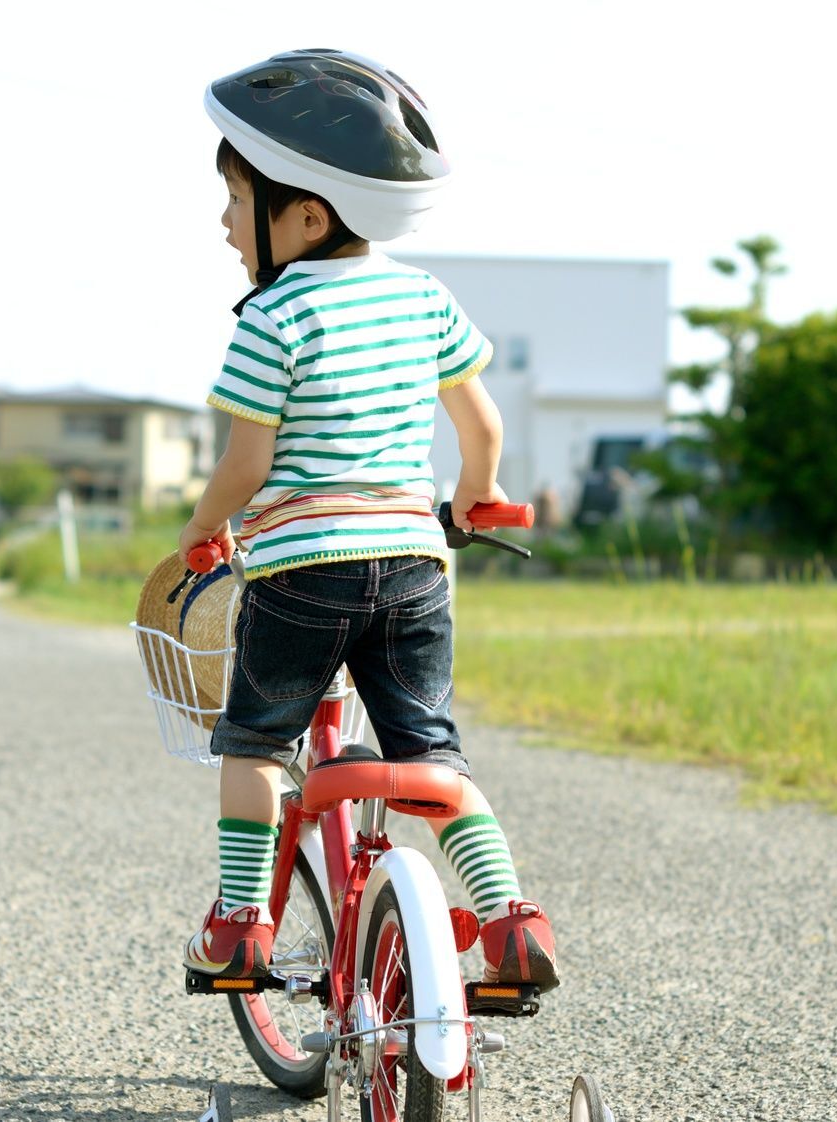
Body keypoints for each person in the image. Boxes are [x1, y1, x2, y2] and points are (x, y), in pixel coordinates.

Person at [178, 49, 558, 992]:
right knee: (431, 751)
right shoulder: (424, 296)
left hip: (303, 571)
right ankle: (508, 922)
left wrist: (201, 532)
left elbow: (247, 463)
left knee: (256, 744)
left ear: (306, 215)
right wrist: (476, 493)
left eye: (236, 201)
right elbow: (481, 422)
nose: (224, 222)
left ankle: (239, 927)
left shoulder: (271, 318)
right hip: (415, 565)